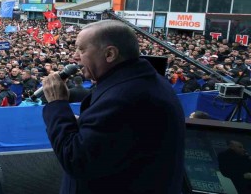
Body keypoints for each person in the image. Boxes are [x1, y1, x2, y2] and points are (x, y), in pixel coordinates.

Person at [41, 20, 185, 193]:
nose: (75, 57)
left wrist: (57, 104)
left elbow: (76, 159)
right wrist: (85, 124)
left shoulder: (125, 98)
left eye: (81, 49)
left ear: (110, 54)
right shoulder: (142, 81)